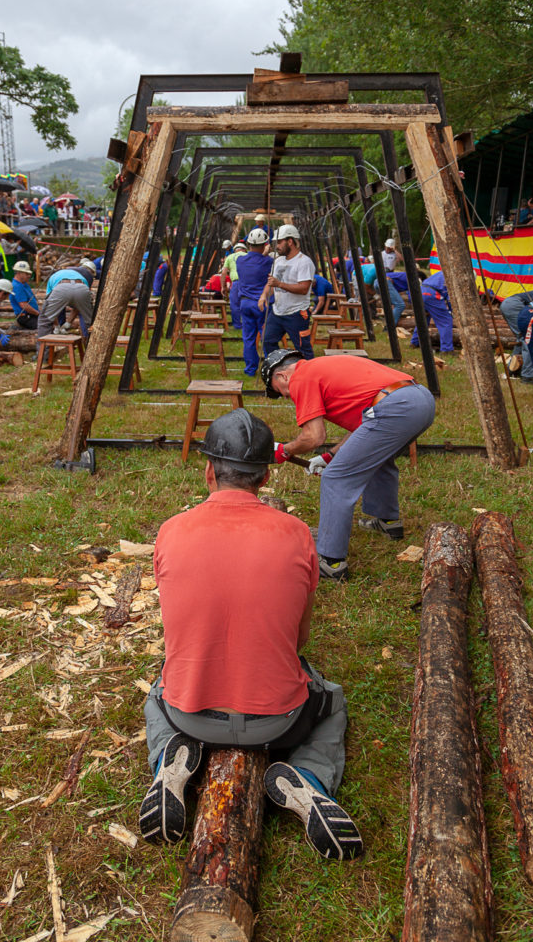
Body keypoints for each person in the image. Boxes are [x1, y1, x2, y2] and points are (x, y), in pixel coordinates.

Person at [139, 409, 363, 860]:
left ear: (208, 471)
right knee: (332, 699)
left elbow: (177, 633)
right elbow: (297, 641)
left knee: (157, 690)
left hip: (189, 714)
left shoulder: (170, 532)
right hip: (278, 722)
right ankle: (311, 778)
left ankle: (169, 761)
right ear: (264, 478)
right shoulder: (298, 535)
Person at [261, 350, 436, 582]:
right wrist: (329, 457)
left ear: (282, 376)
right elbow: (363, 427)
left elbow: (314, 436)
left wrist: (285, 450)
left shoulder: (300, 378)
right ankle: (388, 522)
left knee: (336, 479)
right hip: (419, 398)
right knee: (377, 459)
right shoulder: (320, 368)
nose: (286, 396)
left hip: (395, 406)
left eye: (280, 392)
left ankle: (331, 561)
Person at [259, 224, 315, 359]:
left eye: (279, 242)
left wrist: (279, 284)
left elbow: (303, 288)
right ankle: (281, 368)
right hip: (277, 312)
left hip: (296, 313)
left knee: (303, 348)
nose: (276, 246)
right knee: (267, 341)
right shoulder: (278, 261)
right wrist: (263, 296)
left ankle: (308, 375)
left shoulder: (304, 262)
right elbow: (271, 282)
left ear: (290, 241)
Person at [235, 229, 274, 375]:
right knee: (267, 337)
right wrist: (267, 251)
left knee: (248, 338)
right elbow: (262, 262)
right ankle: (270, 367)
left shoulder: (240, 260)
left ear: (248, 244)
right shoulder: (269, 262)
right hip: (262, 304)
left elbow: (254, 260)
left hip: (245, 303)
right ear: (265, 244)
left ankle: (250, 369)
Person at [37, 277, 94, 341]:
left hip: (61, 287)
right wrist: (68, 323)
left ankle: (43, 349)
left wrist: (56, 326)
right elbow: (78, 307)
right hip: (82, 288)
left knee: (44, 320)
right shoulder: (84, 277)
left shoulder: (53, 278)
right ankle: (91, 347)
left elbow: (51, 308)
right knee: (91, 322)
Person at [410, 270, 453, 352]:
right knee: (445, 321)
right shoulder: (454, 277)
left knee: (423, 319)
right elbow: (450, 298)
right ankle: (447, 349)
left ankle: (414, 342)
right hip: (431, 294)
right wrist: (451, 311)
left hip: (421, 291)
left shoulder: (443, 272)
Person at [222, 240, 246, 330]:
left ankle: (237, 325)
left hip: (235, 283)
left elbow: (224, 272)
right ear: (244, 250)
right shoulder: (248, 256)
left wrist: (222, 286)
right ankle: (247, 323)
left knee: (234, 304)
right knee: (246, 302)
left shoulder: (230, 257)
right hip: (247, 283)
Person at [10, 261, 40, 329]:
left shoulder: (24, 284)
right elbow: (24, 305)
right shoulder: (17, 286)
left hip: (31, 315)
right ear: (18, 273)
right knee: (44, 327)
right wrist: (38, 314)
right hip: (25, 317)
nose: (29, 276)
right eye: (26, 273)